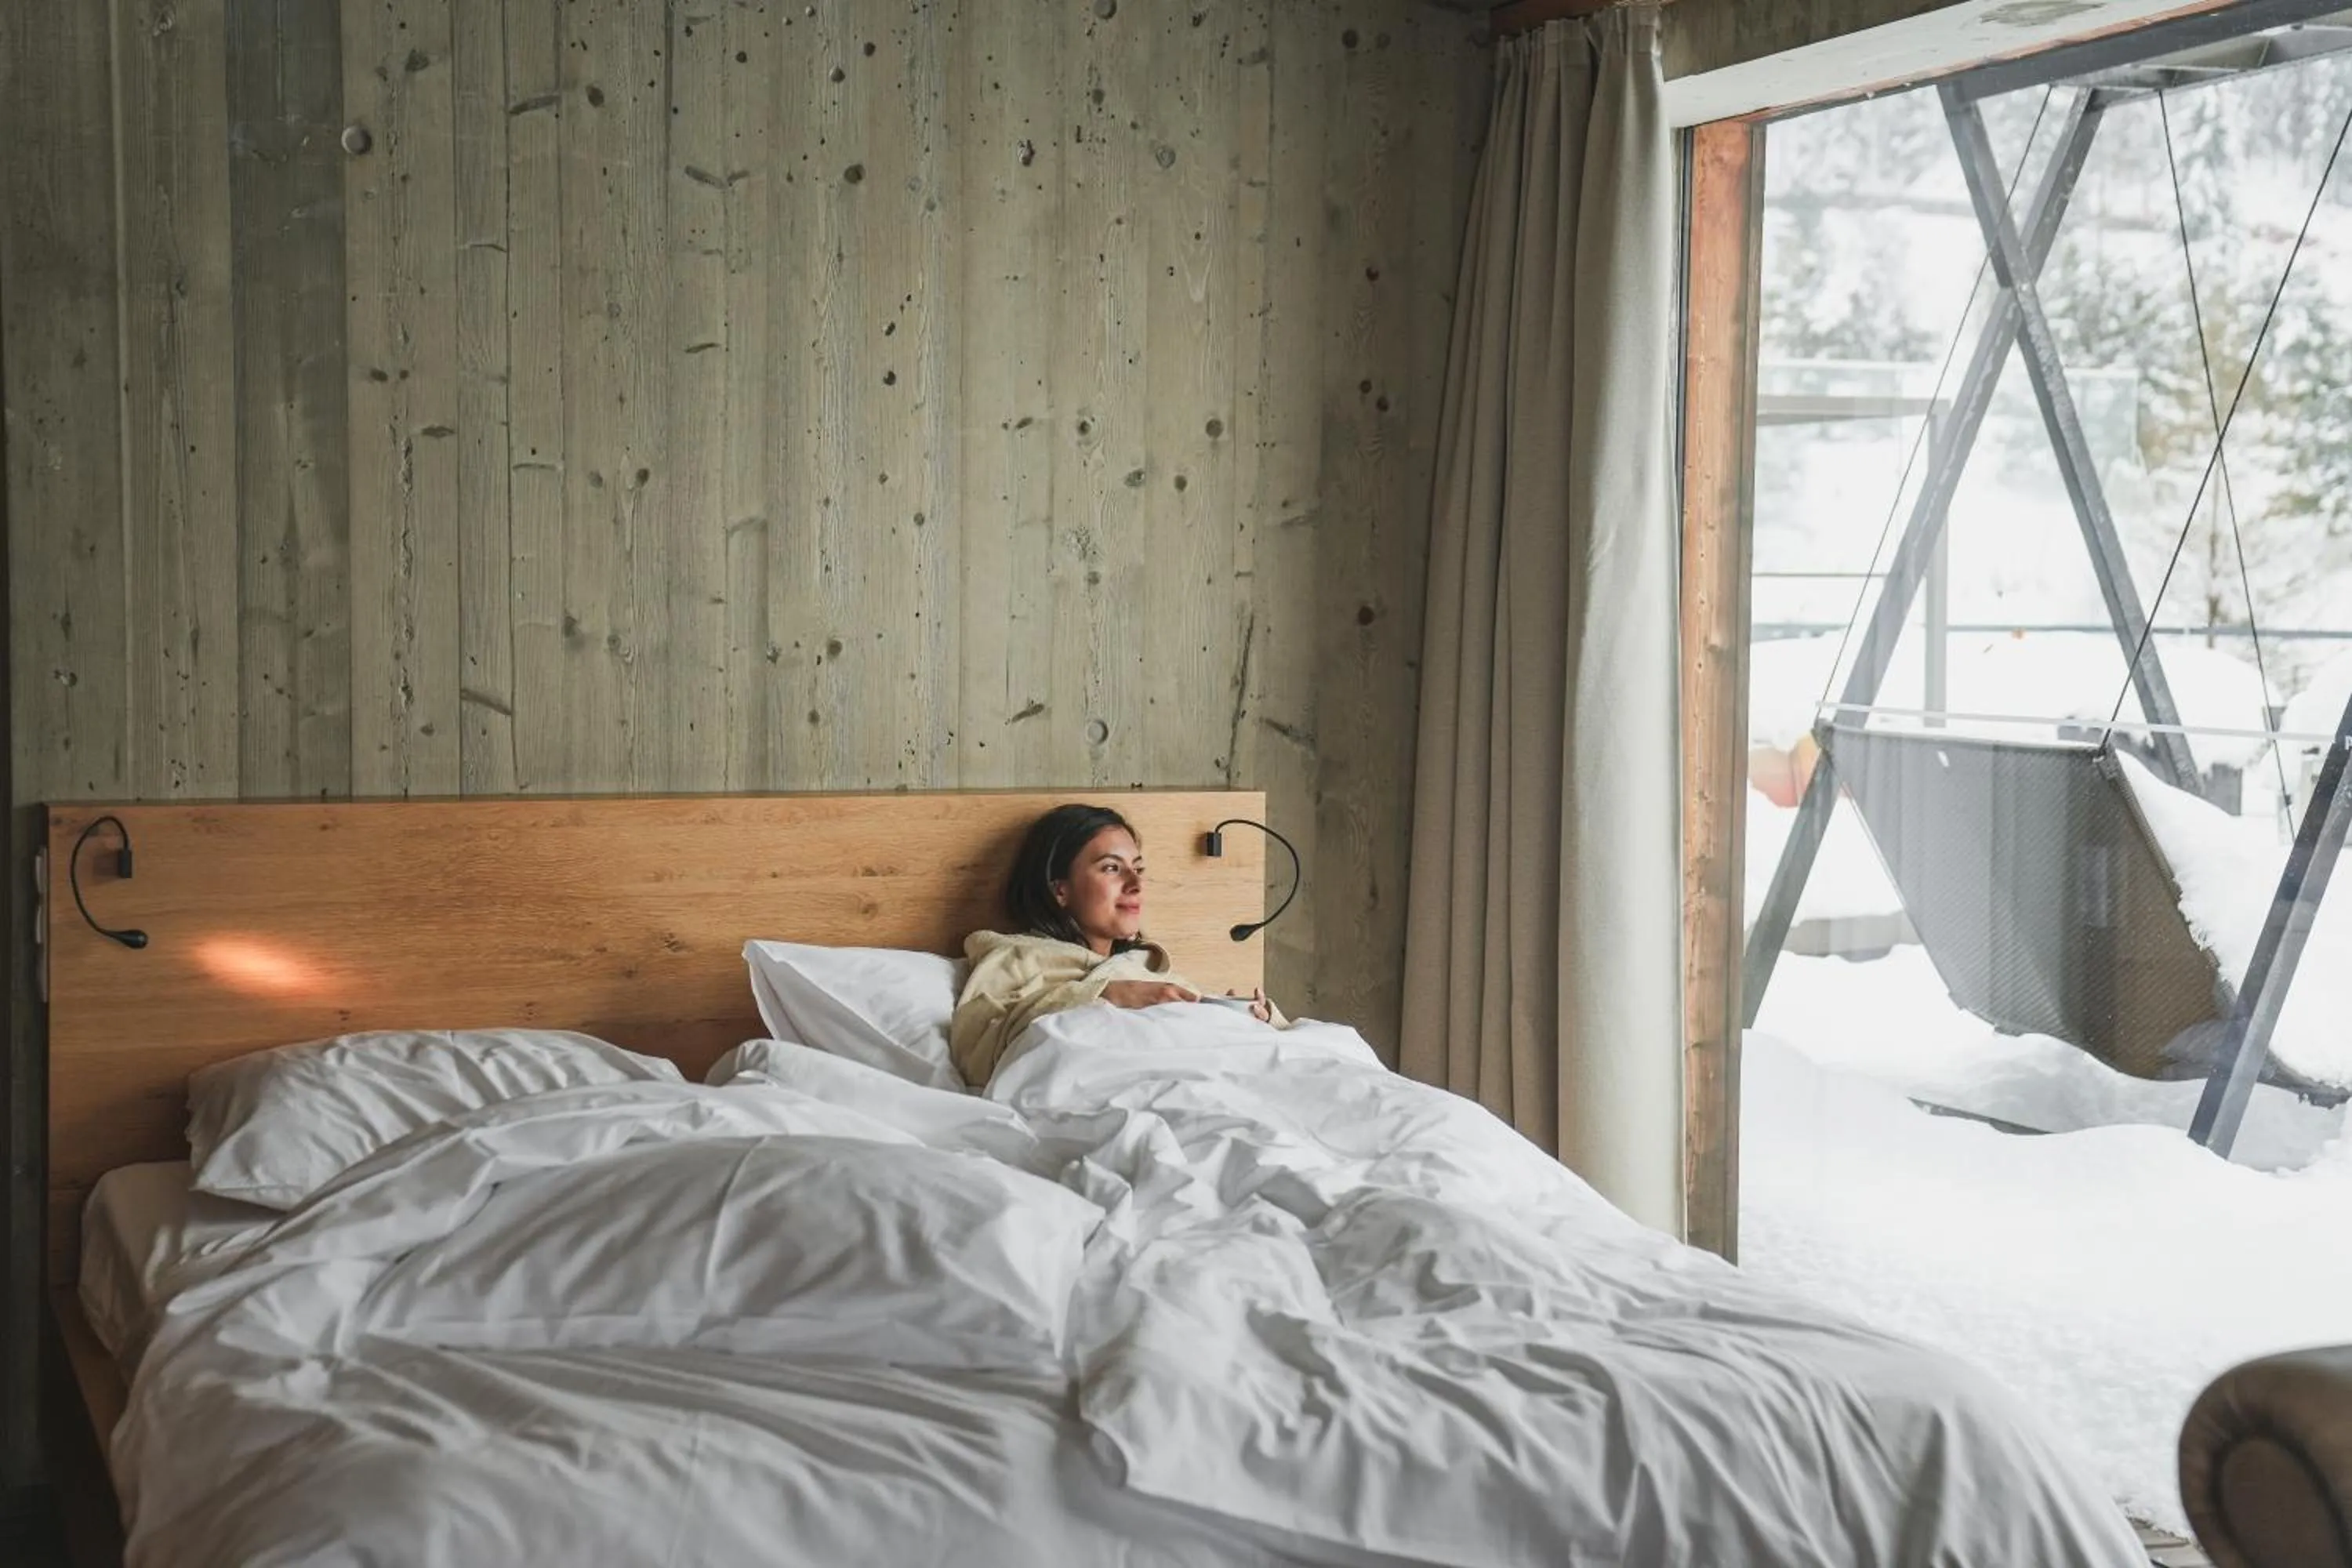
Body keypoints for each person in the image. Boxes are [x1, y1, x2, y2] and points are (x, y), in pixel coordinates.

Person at [949, 804, 1283, 1087]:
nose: (1136, 884)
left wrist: (1254, 1021)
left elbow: (1273, 1045)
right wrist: (1107, 994)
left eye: (1138, 869)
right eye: (1111, 868)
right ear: (1060, 889)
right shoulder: (1017, 957)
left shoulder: (1150, 972)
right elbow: (978, 1053)